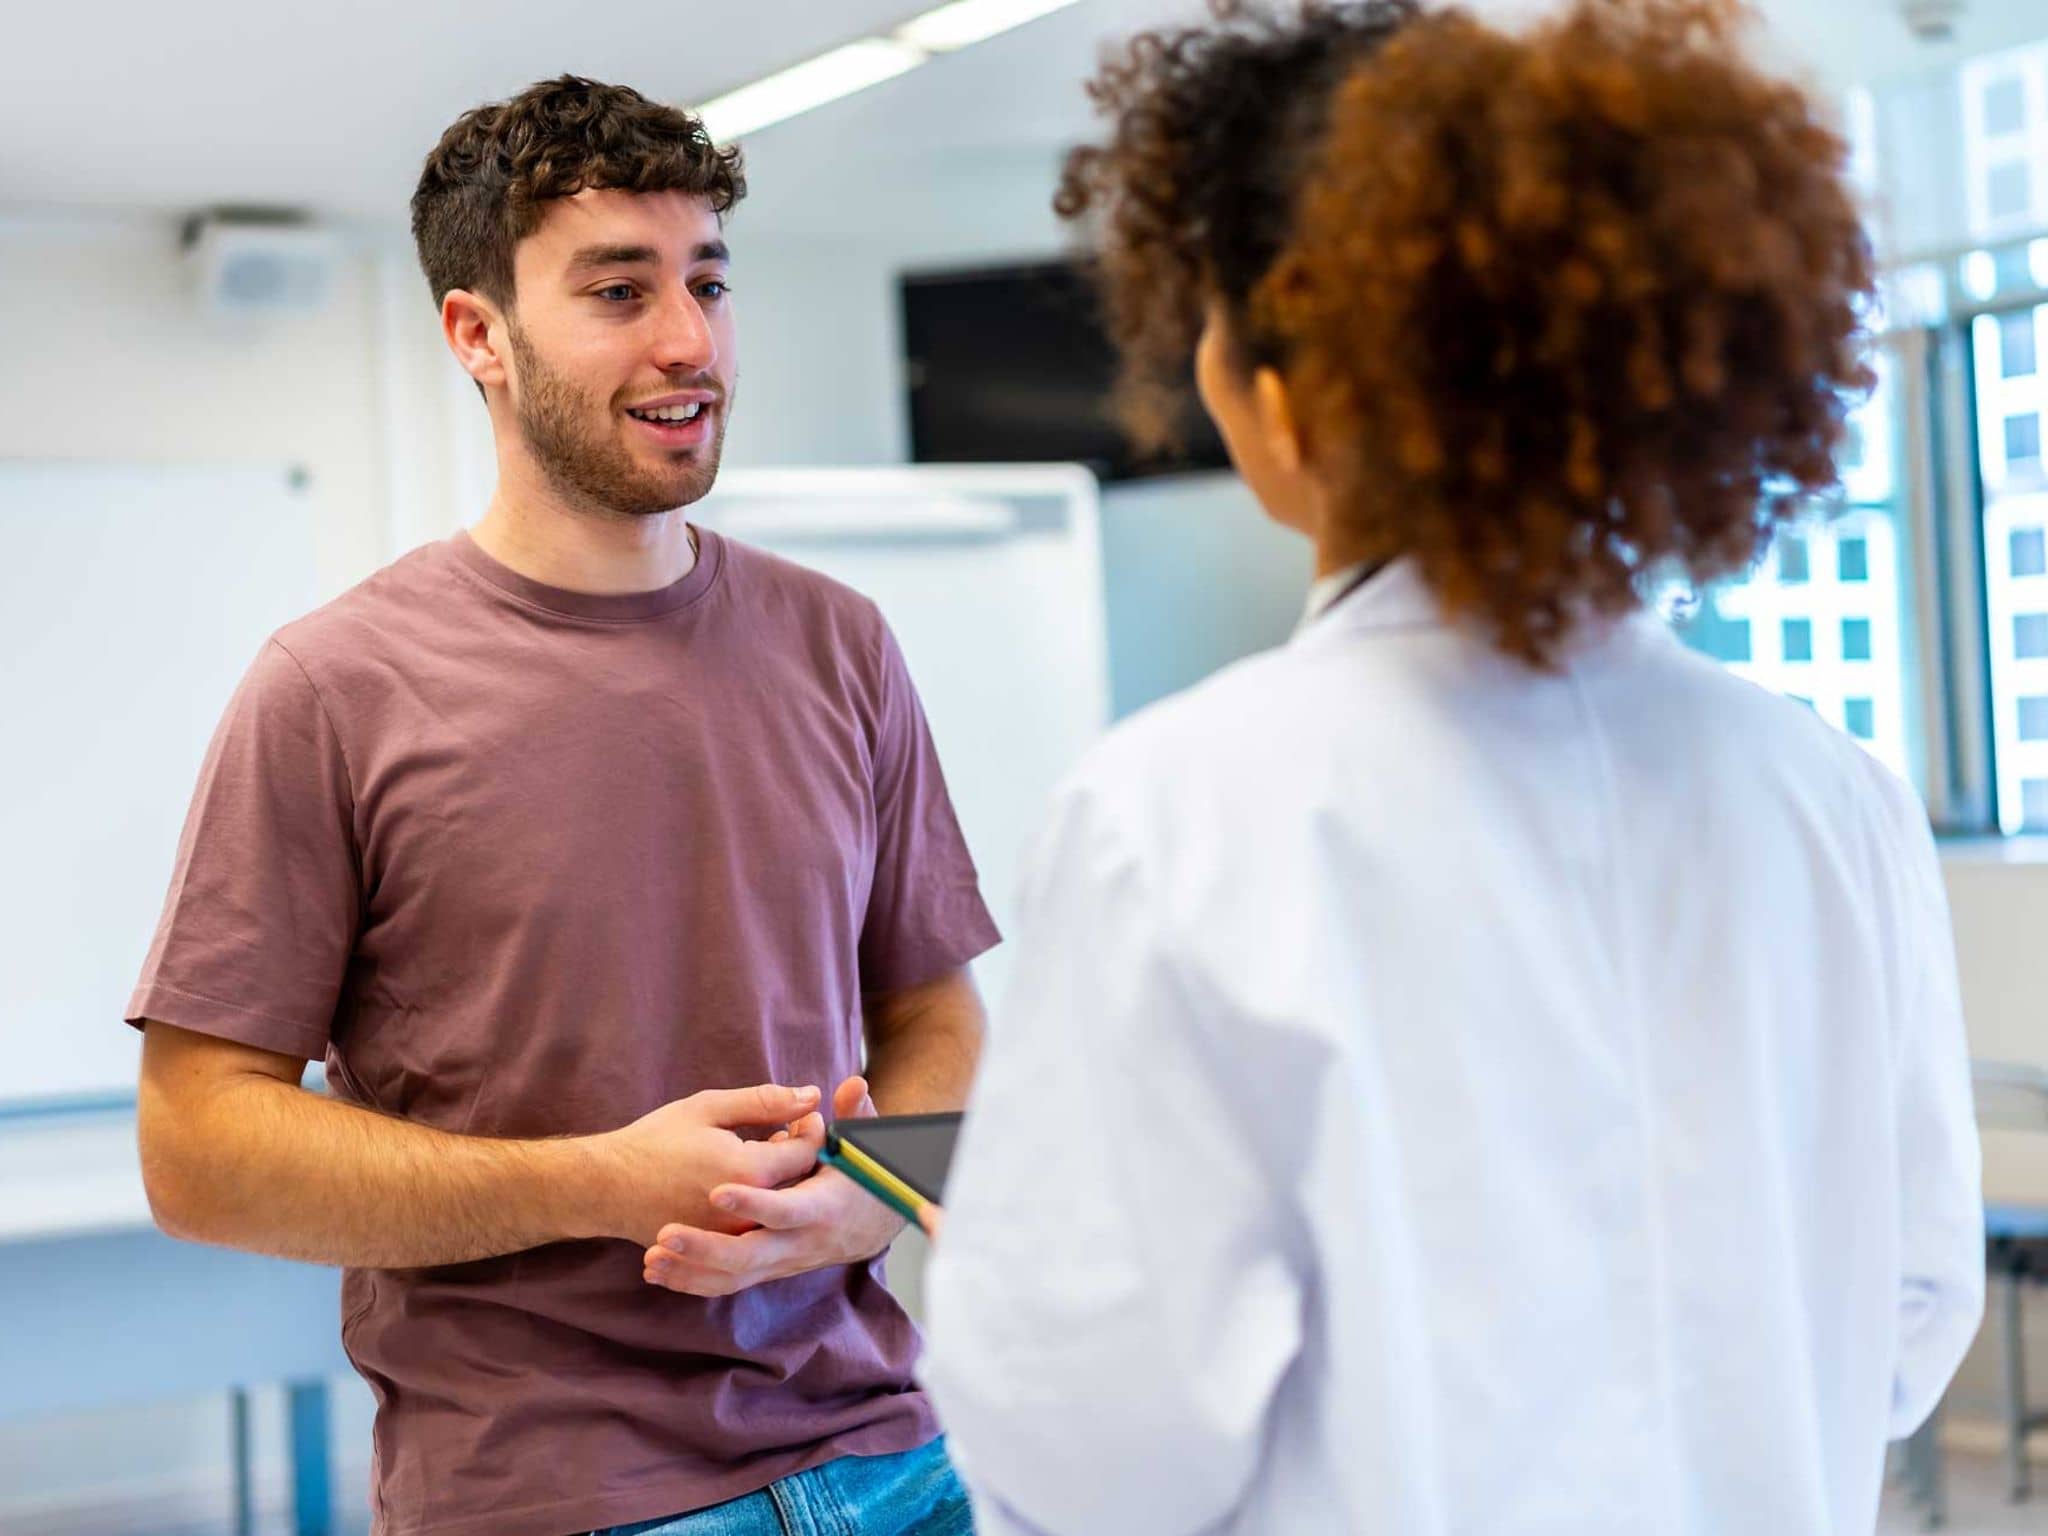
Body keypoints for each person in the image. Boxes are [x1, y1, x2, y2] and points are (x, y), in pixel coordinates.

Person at [918, 1, 1984, 1531]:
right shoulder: (1832, 795)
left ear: (1287, 388)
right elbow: (1912, 1315)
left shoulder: (1183, 815)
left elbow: (1092, 1441)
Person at [129, 76, 991, 1536]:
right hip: (559, 1498)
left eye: (708, 282)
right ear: (479, 336)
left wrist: (881, 1191)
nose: (689, 342)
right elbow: (200, 1146)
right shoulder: (334, 691)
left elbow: (934, 1016)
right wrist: (592, 1185)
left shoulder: (841, 645)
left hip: (891, 1463)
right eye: (618, 289)